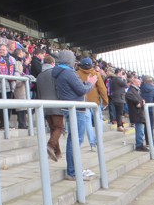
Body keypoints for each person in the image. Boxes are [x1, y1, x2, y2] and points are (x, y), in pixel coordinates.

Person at [52, 50, 97, 181]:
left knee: (74, 139)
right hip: (76, 110)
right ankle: (72, 172)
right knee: (76, 140)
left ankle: (74, 169)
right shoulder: (68, 72)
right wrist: (90, 83)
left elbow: (76, 88)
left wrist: (85, 83)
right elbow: (82, 90)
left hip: (69, 108)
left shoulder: (59, 71)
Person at [77, 57, 109, 152]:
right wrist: (106, 101)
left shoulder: (77, 74)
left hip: (83, 102)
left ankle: (92, 144)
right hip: (95, 102)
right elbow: (102, 89)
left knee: (87, 123)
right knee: (98, 122)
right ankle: (98, 141)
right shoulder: (96, 74)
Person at [37, 55, 64, 161]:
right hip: (56, 104)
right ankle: (50, 145)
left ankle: (57, 152)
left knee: (54, 128)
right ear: (53, 63)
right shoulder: (54, 73)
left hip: (45, 105)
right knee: (59, 128)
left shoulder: (39, 75)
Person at [125, 76, 149, 152]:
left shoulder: (136, 90)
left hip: (138, 112)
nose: (140, 83)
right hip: (137, 113)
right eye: (138, 81)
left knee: (140, 129)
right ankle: (139, 145)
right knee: (140, 130)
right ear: (134, 83)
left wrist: (142, 101)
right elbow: (128, 95)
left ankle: (140, 144)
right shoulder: (132, 90)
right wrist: (137, 102)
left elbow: (140, 99)